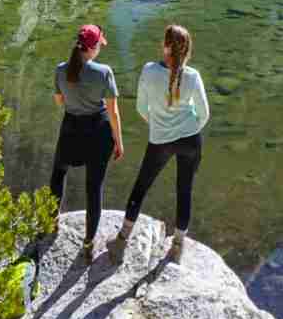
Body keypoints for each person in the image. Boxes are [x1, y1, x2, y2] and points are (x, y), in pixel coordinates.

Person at [108, 23, 209, 265]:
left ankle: (122, 239)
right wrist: (188, 124)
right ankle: (177, 246)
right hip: (190, 140)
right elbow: (204, 114)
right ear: (187, 50)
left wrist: (158, 124)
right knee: (184, 190)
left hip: (160, 140)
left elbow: (142, 108)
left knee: (141, 187)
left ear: (165, 46)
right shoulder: (193, 76)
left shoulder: (149, 71)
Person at [50, 23, 124, 263]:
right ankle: (89, 244)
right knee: (94, 188)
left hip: (71, 128)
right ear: (92, 48)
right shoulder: (104, 72)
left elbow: (59, 102)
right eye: (99, 46)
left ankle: (51, 222)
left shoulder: (60, 70)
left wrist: (75, 101)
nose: (100, 50)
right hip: (98, 133)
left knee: (58, 174)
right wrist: (118, 142)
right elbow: (114, 113)